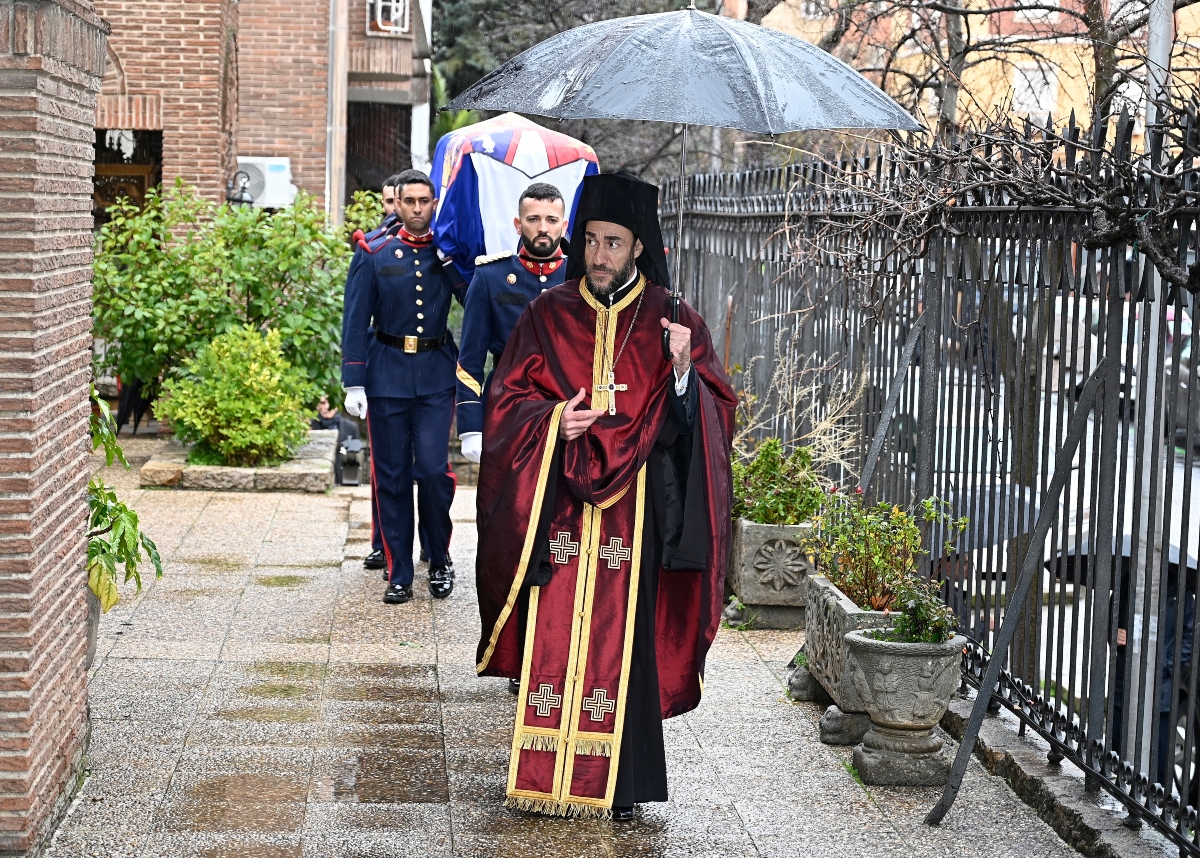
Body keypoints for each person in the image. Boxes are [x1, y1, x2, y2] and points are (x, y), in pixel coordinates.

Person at [473, 172, 736, 821]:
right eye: (590, 241)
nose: (598, 256)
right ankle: (542, 774)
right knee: (556, 630)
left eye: (613, 243)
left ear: (639, 246)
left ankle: (619, 783)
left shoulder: (675, 320)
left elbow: (713, 416)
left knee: (627, 641)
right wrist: (550, 423)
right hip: (559, 507)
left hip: (637, 516)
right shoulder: (548, 313)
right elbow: (506, 398)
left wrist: (680, 375)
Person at [342, 169, 467, 604]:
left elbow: (473, 299)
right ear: (396, 203)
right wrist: (353, 380)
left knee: (433, 471)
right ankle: (399, 571)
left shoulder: (447, 251)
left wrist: (453, 263)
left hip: (434, 375)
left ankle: (440, 557)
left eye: (424, 201)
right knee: (392, 478)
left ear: (434, 204)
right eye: (408, 201)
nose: (416, 208)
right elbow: (355, 319)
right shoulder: (374, 252)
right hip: (386, 376)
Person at [456, 182, 570, 466]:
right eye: (533, 219)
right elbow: (471, 358)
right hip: (507, 407)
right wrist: (470, 426)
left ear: (563, 225)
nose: (543, 228)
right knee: (509, 505)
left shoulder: (580, 277)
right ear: (518, 225)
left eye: (551, 220)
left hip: (567, 407)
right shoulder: (490, 276)